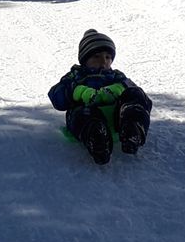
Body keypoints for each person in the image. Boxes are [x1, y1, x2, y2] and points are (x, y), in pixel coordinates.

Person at [48, 29, 152, 165]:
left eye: (108, 57)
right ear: (85, 60)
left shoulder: (117, 76)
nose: (103, 61)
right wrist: (78, 91)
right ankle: (97, 139)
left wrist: (120, 88)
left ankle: (133, 128)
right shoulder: (76, 76)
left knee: (136, 94)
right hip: (88, 114)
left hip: (117, 120)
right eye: (96, 56)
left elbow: (138, 93)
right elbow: (56, 96)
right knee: (82, 113)